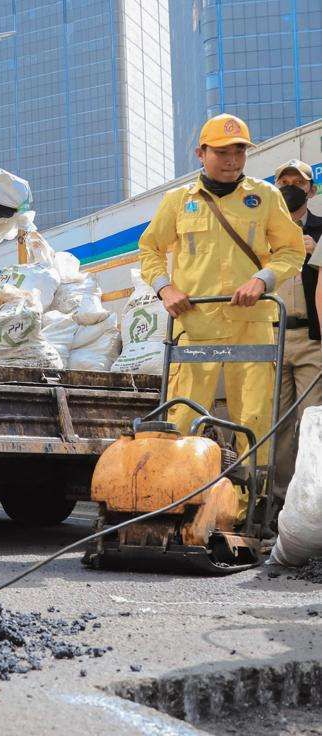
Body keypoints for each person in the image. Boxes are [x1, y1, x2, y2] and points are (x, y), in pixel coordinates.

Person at [139, 114, 304, 517]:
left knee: (255, 416)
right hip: (197, 326)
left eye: (239, 151)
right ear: (201, 153)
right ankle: (176, 499)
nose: (232, 160)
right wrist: (166, 288)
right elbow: (149, 250)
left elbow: (291, 250)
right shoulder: (180, 201)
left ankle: (251, 509)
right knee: (184, 410)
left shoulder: (265, 197)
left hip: (252, 324)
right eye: (222, 152)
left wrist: (262, 281)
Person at [272, 160, 322, 502]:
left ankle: (309, 500)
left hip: (310, 339)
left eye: (298, 181)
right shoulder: (264, 231)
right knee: (275, 426)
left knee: (310, 422)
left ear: (312, 189)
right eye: (284, 180)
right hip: (271, 338)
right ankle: (277, 502)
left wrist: (314, 250)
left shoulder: (321, 229)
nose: (291, 185)